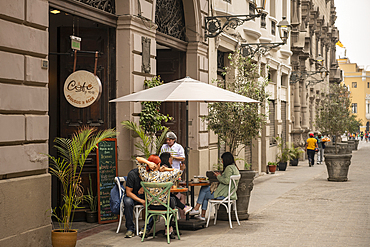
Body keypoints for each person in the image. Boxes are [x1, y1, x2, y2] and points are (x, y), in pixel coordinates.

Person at [136, 155, 182, 237]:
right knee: (172, 200)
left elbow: (137, 159)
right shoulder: (164, 175)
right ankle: (168, 227)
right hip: (164, 206)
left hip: (150, 206)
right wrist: (166, 169)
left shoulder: (145, 175)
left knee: (171, 200)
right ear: (158, 165)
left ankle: (166, 228)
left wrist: (148, 162)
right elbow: (179, 172)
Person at [189, 152, 240, 220]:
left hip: (224, 194)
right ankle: (199, 212)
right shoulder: (234, 168)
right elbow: (228, 179)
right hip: (229, 193)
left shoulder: (229, 168)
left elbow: (226, 181)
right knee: (204, 188)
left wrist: (218, 176)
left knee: (204, 194)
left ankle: (198, 210)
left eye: (222, 160)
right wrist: (221, 176)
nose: (222, 162)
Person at [123, 164, 153, 238]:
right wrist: (141, 201)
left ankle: (146, 229)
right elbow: (128, 193)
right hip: (132, 196)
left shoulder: (151, 174)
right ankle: (130, 229)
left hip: (145, 195)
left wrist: (144, 186)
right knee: (128, 202)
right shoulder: (132, 174)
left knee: (154, 203)